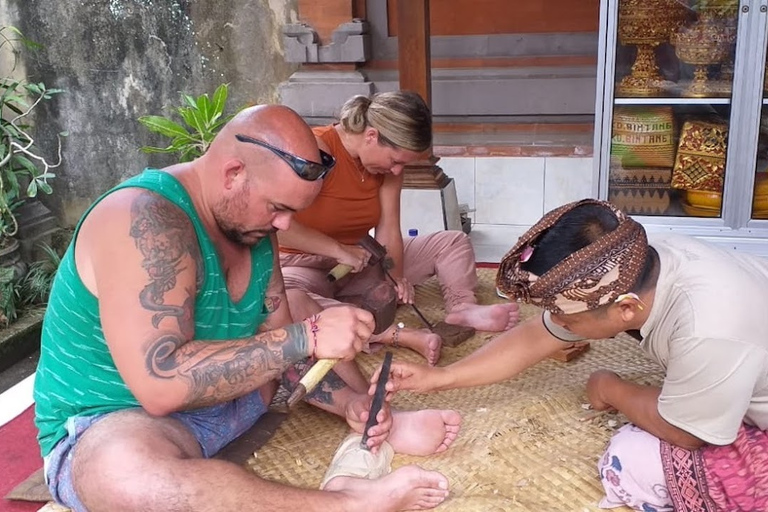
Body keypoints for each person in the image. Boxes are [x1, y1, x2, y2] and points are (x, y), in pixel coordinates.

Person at [32, 104, 463, 512]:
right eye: (278, 208)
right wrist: (308, 335)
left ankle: (372, 424)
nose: (285, 225)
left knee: (296, 308)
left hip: (232, 401)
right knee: (122, 476)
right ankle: (348, 504)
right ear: (233, 173)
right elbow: (159, 386)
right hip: (128, 420)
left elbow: (281, 352)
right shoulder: (143, 220)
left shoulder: (253, 228)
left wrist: (350, 402)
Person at [375, 198, 768, 512]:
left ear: (625, 310)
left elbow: (687, 432)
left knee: (631, 461)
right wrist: (441, 378)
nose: (555, 322)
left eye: (564, 316)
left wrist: (610, 388)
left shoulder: (708, 326)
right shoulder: (636, 260)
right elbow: (534, 337)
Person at [277, 91, 519, 366]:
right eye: (396, 161)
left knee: (452, 242)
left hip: (359, 260)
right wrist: (338, 250)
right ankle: (391, 333)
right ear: (371, 136)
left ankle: (462, 307)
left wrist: (395, 277)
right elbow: (279, 226)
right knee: (289, 303)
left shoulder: (387, 170)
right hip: (303, 266)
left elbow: (389, 227)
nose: (396, 171)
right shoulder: (317, 151)